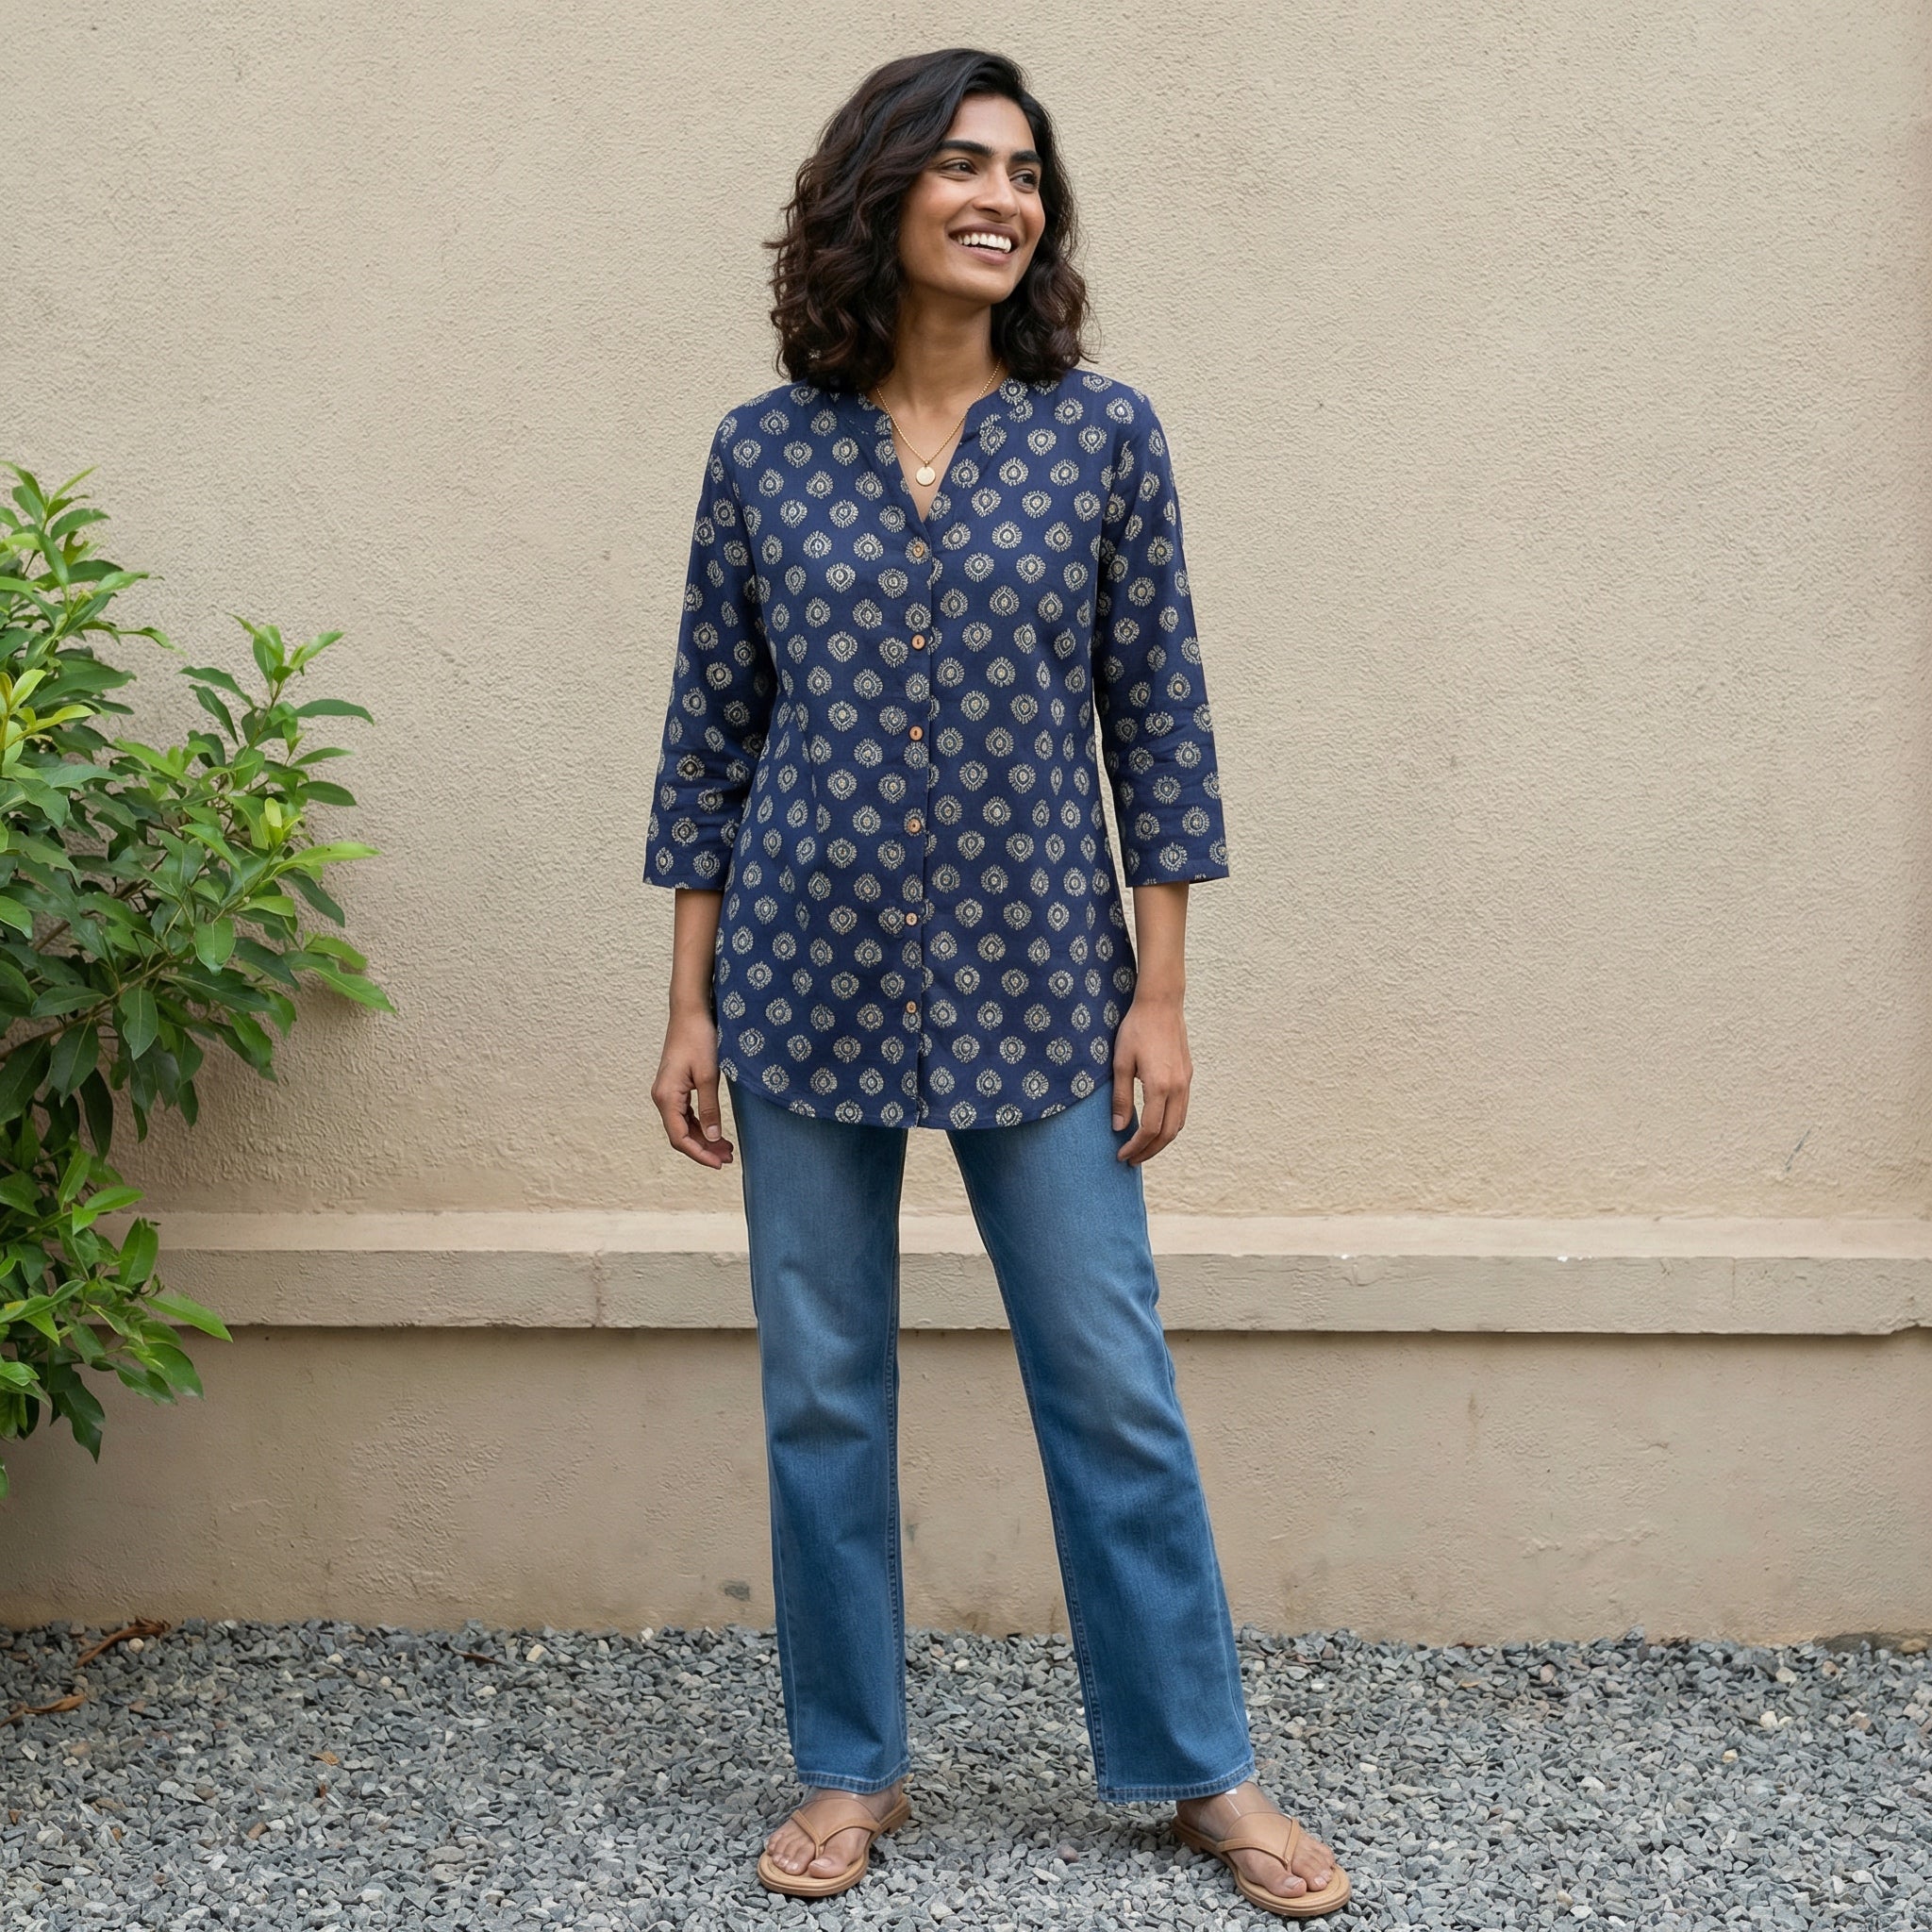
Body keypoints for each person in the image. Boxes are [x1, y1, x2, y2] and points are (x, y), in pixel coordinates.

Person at [642, 46, 1350, 1922]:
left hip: (1047, 984)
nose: (1001, 198)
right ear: (877, 194)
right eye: (961, 164)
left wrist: (1161, 994)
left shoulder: (1101, 438)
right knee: (823, 1391)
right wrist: (689, 1002)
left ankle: (1201, 1767)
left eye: (1025, 173)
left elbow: (1160, 723)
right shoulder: (763, 452)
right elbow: (711, 740)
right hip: (799, 982)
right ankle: (848, 1764)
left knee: (1109, 1377)